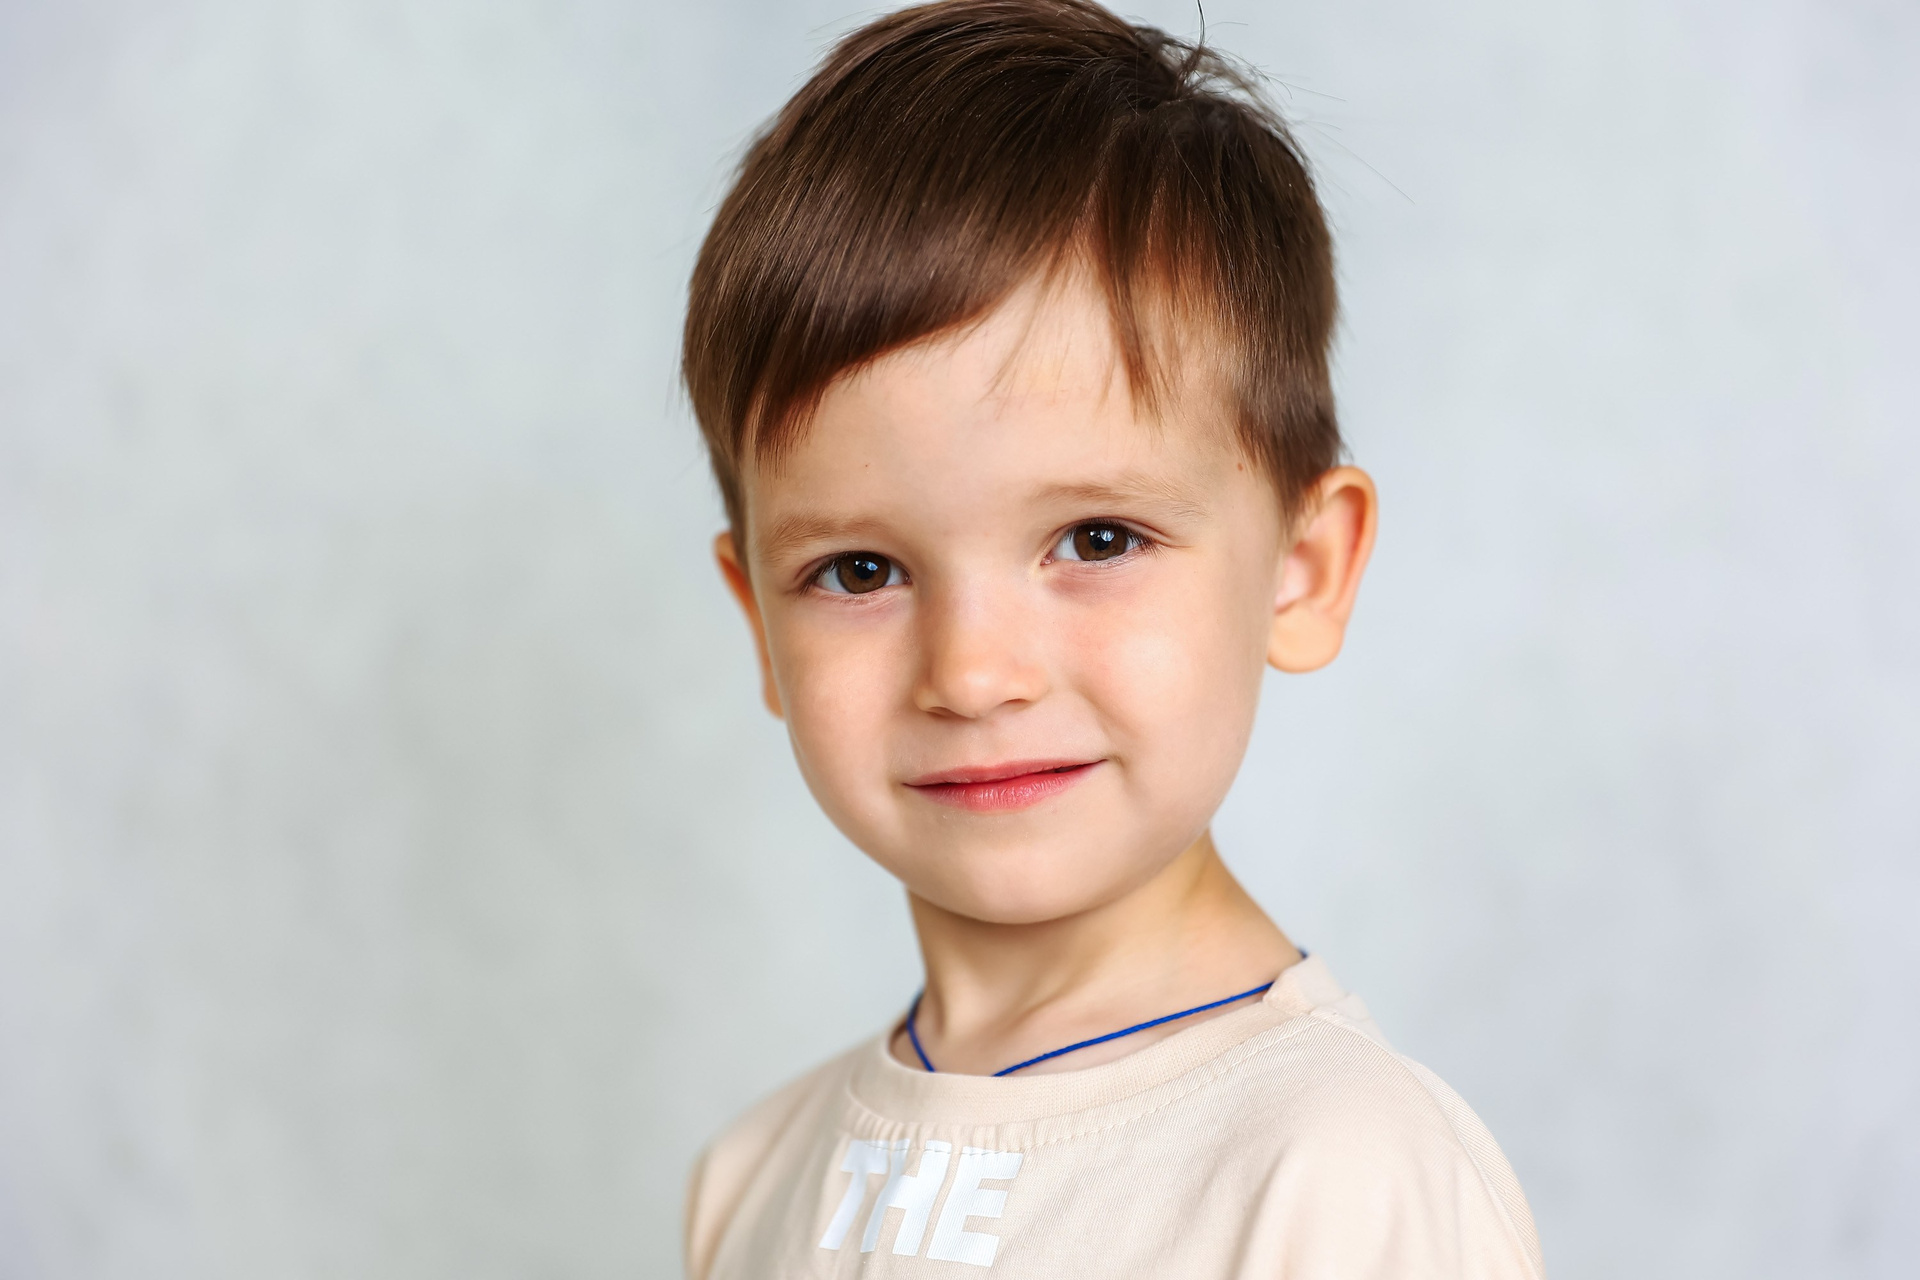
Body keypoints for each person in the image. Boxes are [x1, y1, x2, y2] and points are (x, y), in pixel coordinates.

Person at [679, 1, 1543, 1275]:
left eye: (1096, 539)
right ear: (760, 622)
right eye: (861, 570)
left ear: (1302, 571)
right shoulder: (750, 1178)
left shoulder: (1338, 1174)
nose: (974, 673)